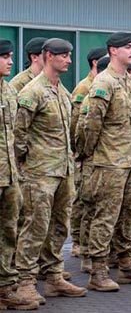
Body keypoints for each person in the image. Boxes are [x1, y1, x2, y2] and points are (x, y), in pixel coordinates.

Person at [82, 32, 131, 291]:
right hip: (109, 162)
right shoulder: (104, 82)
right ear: (113, 51)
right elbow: (91, 124)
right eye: (128, 46)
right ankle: (98, 270)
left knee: (128, 215)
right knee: (105, 217)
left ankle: (126, 264)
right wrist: (91, 155)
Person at [13, 39, 85, 303]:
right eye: (63, 55)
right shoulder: (32, 92)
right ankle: (25, 282)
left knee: (59, 226)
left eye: (69, 55)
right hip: (39, 173)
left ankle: (54, 276)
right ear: (47, 56)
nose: (68, 60)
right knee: (35, 227)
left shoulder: (62, 93)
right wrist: (27, 164)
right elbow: (18, 134)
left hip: (63, 171)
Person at [0, 39, 39, 310]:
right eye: (5, 57)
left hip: (10, 174)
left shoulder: (8, 91)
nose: (10, 62)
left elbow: (17, 135)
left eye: (11, 56)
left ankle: (5, 286)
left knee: (9, 232)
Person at [69, 47, 107, 258]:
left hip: (104, 156)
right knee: (83, 201)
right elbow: (78, 124)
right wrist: (81, 152)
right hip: (88, 155)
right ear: (95, 62)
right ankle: (77, 240)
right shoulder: (84, 88)